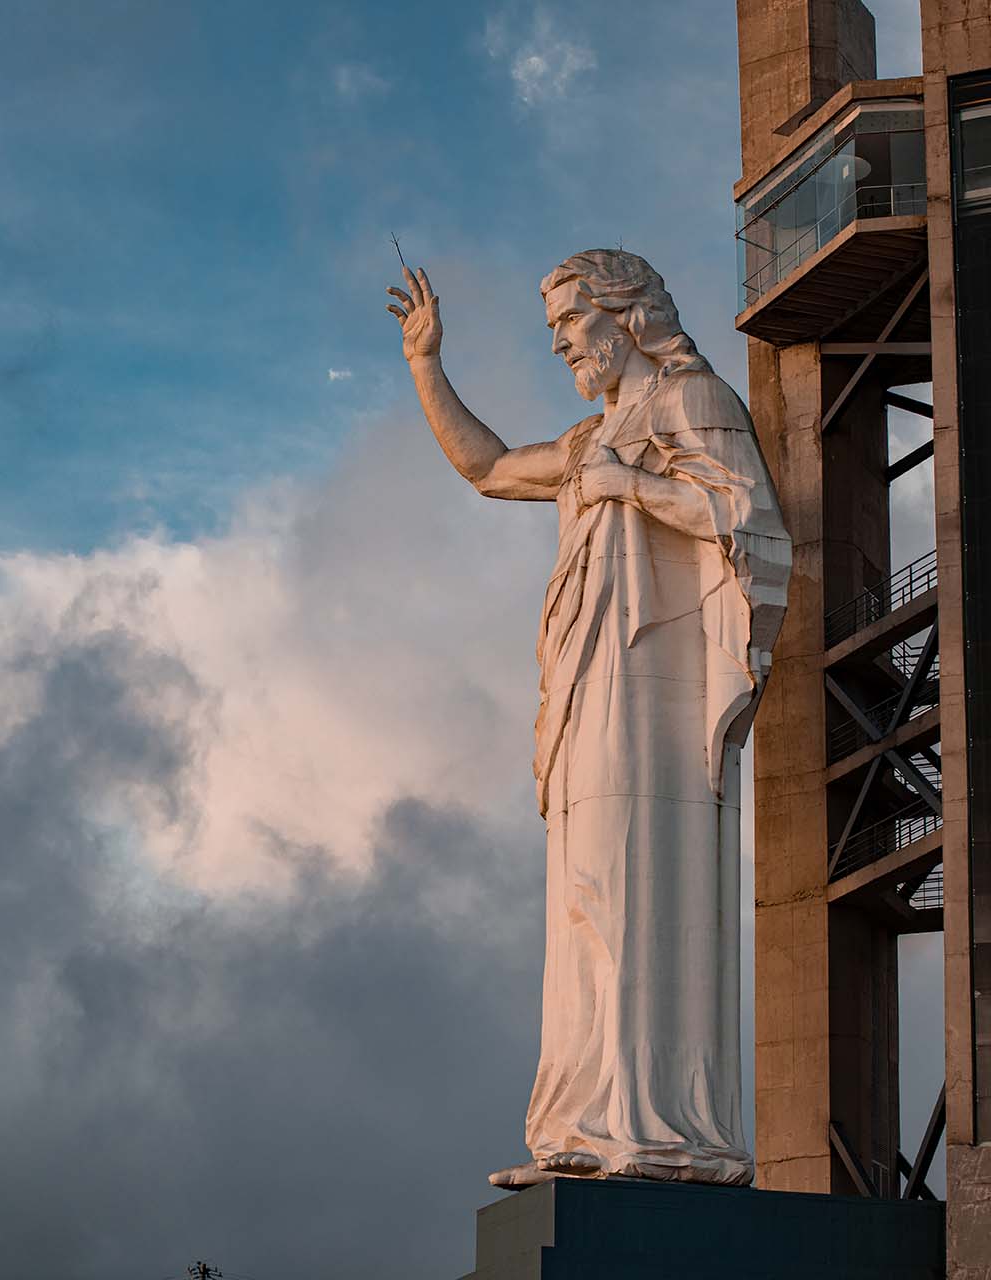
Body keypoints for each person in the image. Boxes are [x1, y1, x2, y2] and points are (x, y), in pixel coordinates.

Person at [386, 249, 790, 1186]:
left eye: (573, 321)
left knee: (635, 882)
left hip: (656, 676)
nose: (563, 342)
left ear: (629, 314)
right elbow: (486, 468)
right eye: (555, 329)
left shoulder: (694, 404)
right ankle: (584, 1120)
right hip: (585, 677)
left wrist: (630, 486)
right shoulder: (585, 440)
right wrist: (425, 365)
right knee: (582, 896)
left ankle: (658, 1131)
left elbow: (755, 524)